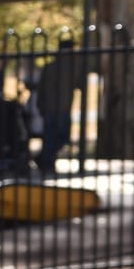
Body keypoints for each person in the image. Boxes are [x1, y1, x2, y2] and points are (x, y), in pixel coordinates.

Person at [32, 37, 82, 175]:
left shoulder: (54, 67)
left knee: (52, 137)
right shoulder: (71, 67)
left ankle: (44, 160)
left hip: (52, 107)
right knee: (58, 136)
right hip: (60, 108)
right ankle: (46, 162)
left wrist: (40, 104)